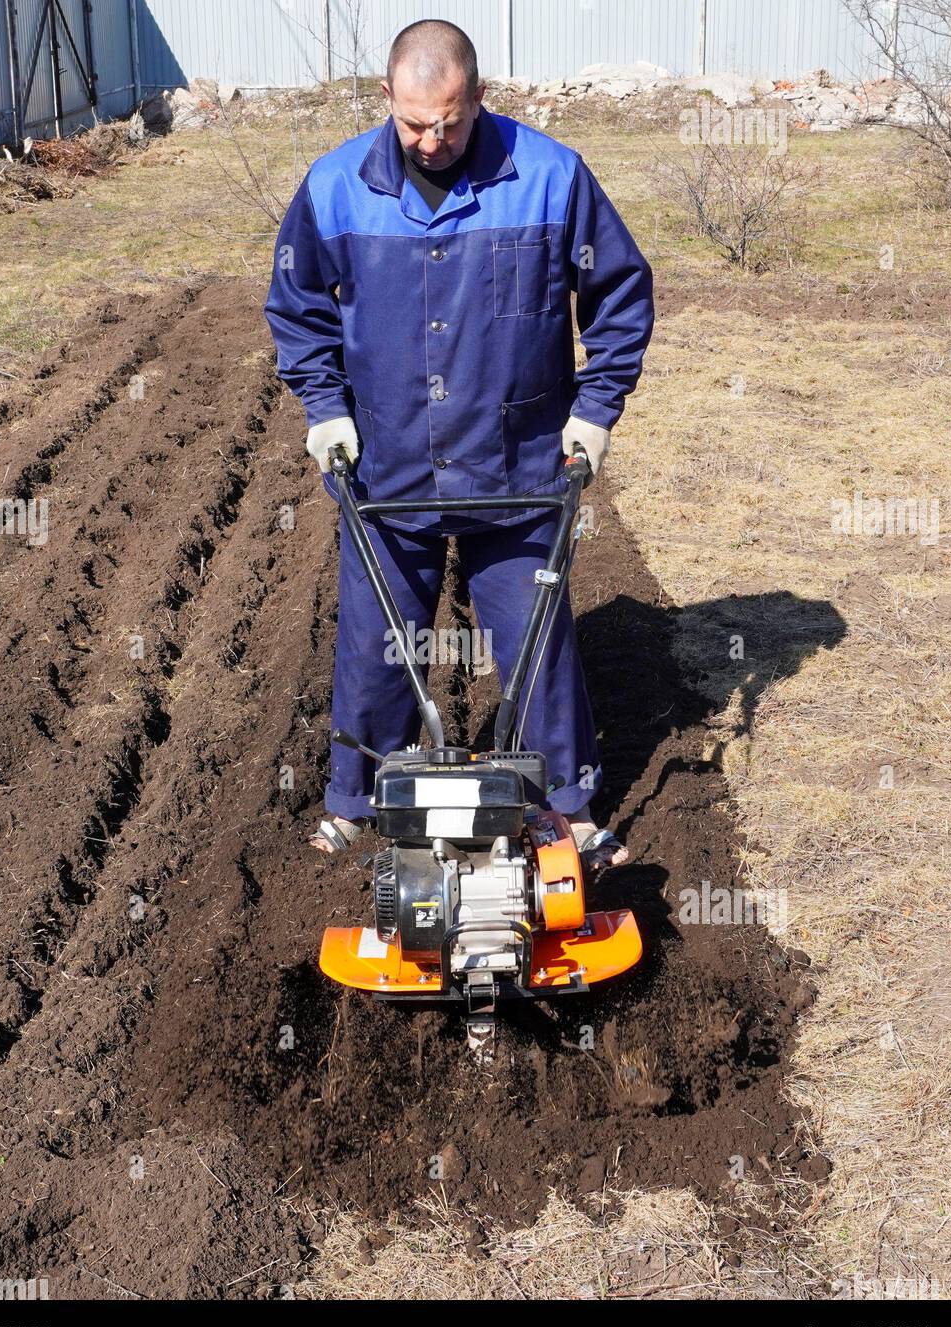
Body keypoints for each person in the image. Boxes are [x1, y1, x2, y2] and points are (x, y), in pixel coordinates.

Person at [264, 20, 654, 872]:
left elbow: (620, 295)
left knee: (537, 645)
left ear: (479, 98)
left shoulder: (550, 176)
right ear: (386, 101)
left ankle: (569, 807)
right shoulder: (335, 187)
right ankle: (356, 798)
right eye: (413, 123)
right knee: (378, 644)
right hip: (388, 469)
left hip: (518, 468)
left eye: (449, 120)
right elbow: (297, 310)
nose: (432, 141)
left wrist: (594, 412)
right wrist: (326, 410)